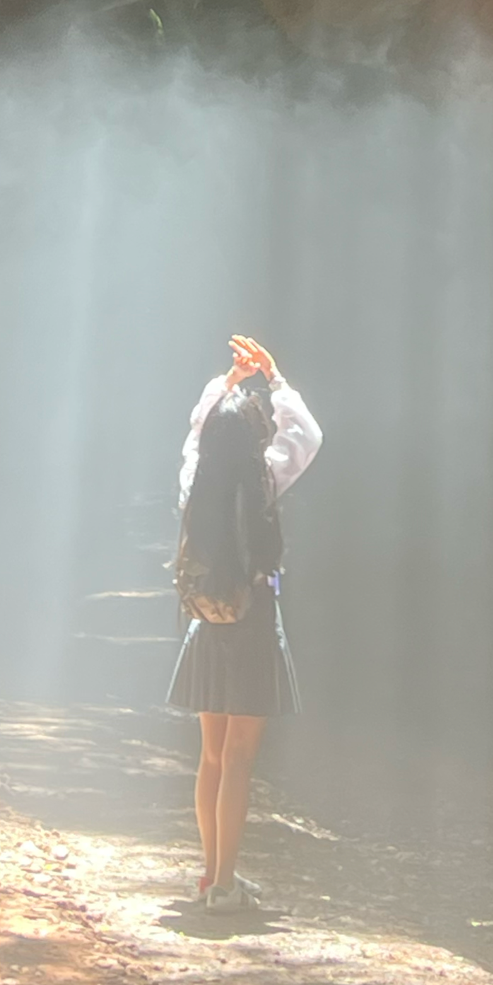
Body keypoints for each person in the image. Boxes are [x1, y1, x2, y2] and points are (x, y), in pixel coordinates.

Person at [167, 333, 321, 913]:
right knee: (239, 760)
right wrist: (274, 380)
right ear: (254, 437)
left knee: (210, 757)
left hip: (207, 621)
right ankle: (227, 885)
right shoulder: (265, 479)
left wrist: (223, 385)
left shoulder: (194, 485)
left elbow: (193, 436)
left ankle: (212, 877)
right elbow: (306, 436)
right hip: (253, 623)